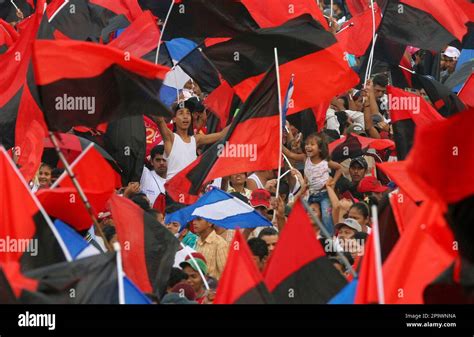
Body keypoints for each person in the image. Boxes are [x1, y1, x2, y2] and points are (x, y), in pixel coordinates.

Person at [283, 132, 343, 235]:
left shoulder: (325, 162)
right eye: (306, 144)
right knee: (298, 213)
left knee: (326, 215)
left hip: (324, 194)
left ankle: (328, 237)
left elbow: (339, 168)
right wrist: (278, 144)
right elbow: (290, 154)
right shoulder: (305, 158)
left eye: (312, 144)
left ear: (320, 149)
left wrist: (333, 182)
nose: (308, 146)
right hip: (310, 194)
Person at [156, 99, 229, 181]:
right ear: (174, 119)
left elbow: (222, 134)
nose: (185, 116)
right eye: (181, 113)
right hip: (173, 189)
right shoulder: (170, 138)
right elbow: (159, 121)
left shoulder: (196, 139)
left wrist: (241, 118)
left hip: (189, 189)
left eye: (188, 113)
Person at [140, 145, 167, 211]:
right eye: (158, 160)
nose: (161, 163)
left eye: (164, 160)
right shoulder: (145, 174)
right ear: (151, 161)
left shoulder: (175, 179)